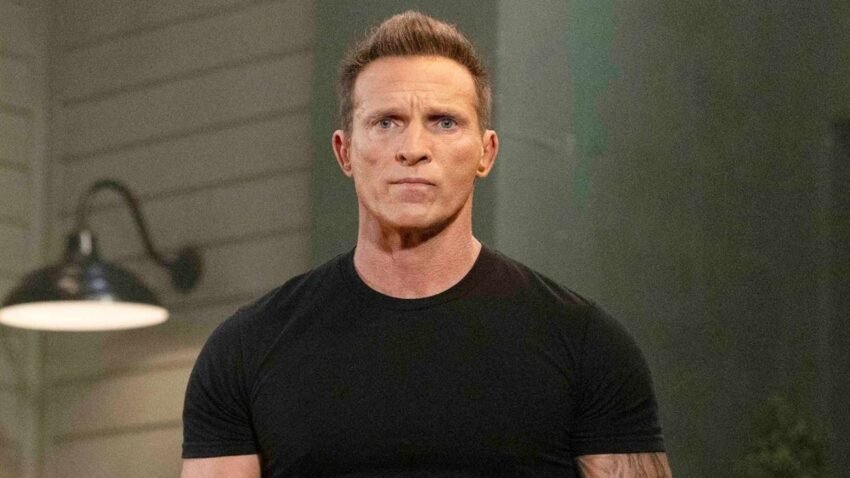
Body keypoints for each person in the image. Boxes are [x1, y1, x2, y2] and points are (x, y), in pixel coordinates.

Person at [181, 11, 672, 478]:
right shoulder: (246, 350)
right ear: (345, 152)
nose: (413, 149)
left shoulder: (586, 346)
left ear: (486, 153)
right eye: (386, 122)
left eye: (444, 122)